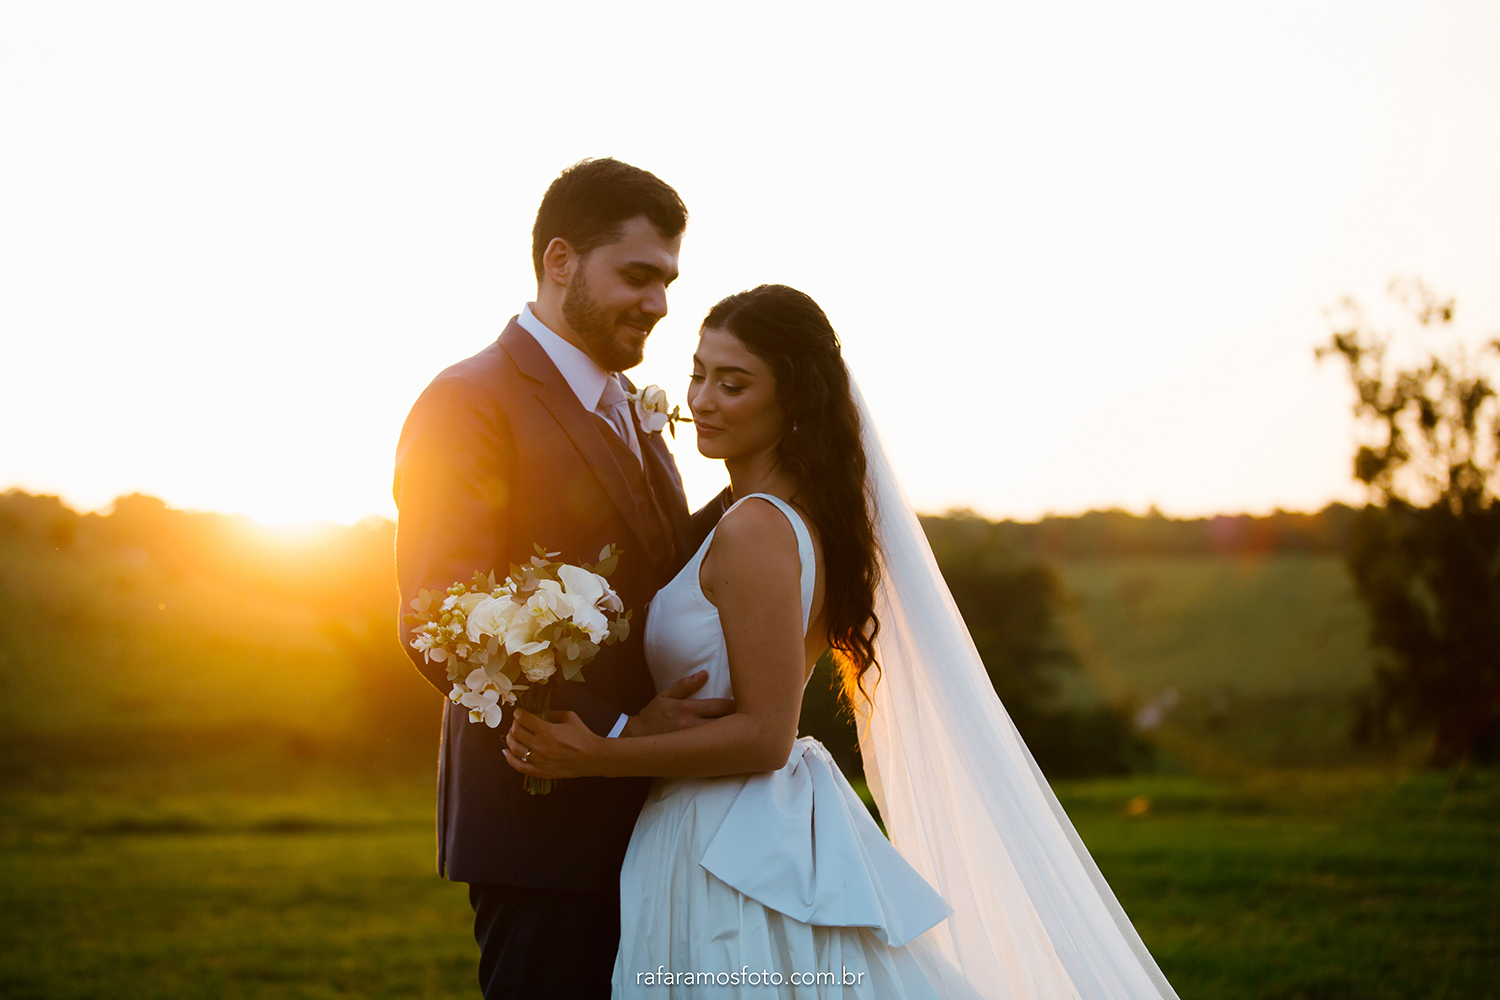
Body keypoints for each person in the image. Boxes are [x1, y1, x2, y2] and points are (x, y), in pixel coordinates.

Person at [505, 285, 1184, 999]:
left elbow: (766, 735)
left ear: (791, 401)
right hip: (724, 827)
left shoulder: (756, 529)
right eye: (699, 372)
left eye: (732, 384)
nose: (702, 398)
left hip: (726, 844)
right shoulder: (775, 517)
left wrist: (602, 755)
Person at [393, 158, 732, 1000]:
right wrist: (617, 733)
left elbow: (659, 567)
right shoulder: (468, 401)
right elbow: (438, 616)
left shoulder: (628, 403)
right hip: (538, 823)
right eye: (639, 275)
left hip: (652, 818)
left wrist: (773, 489)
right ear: (559, 261)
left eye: (668, 282)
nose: (659, 304)